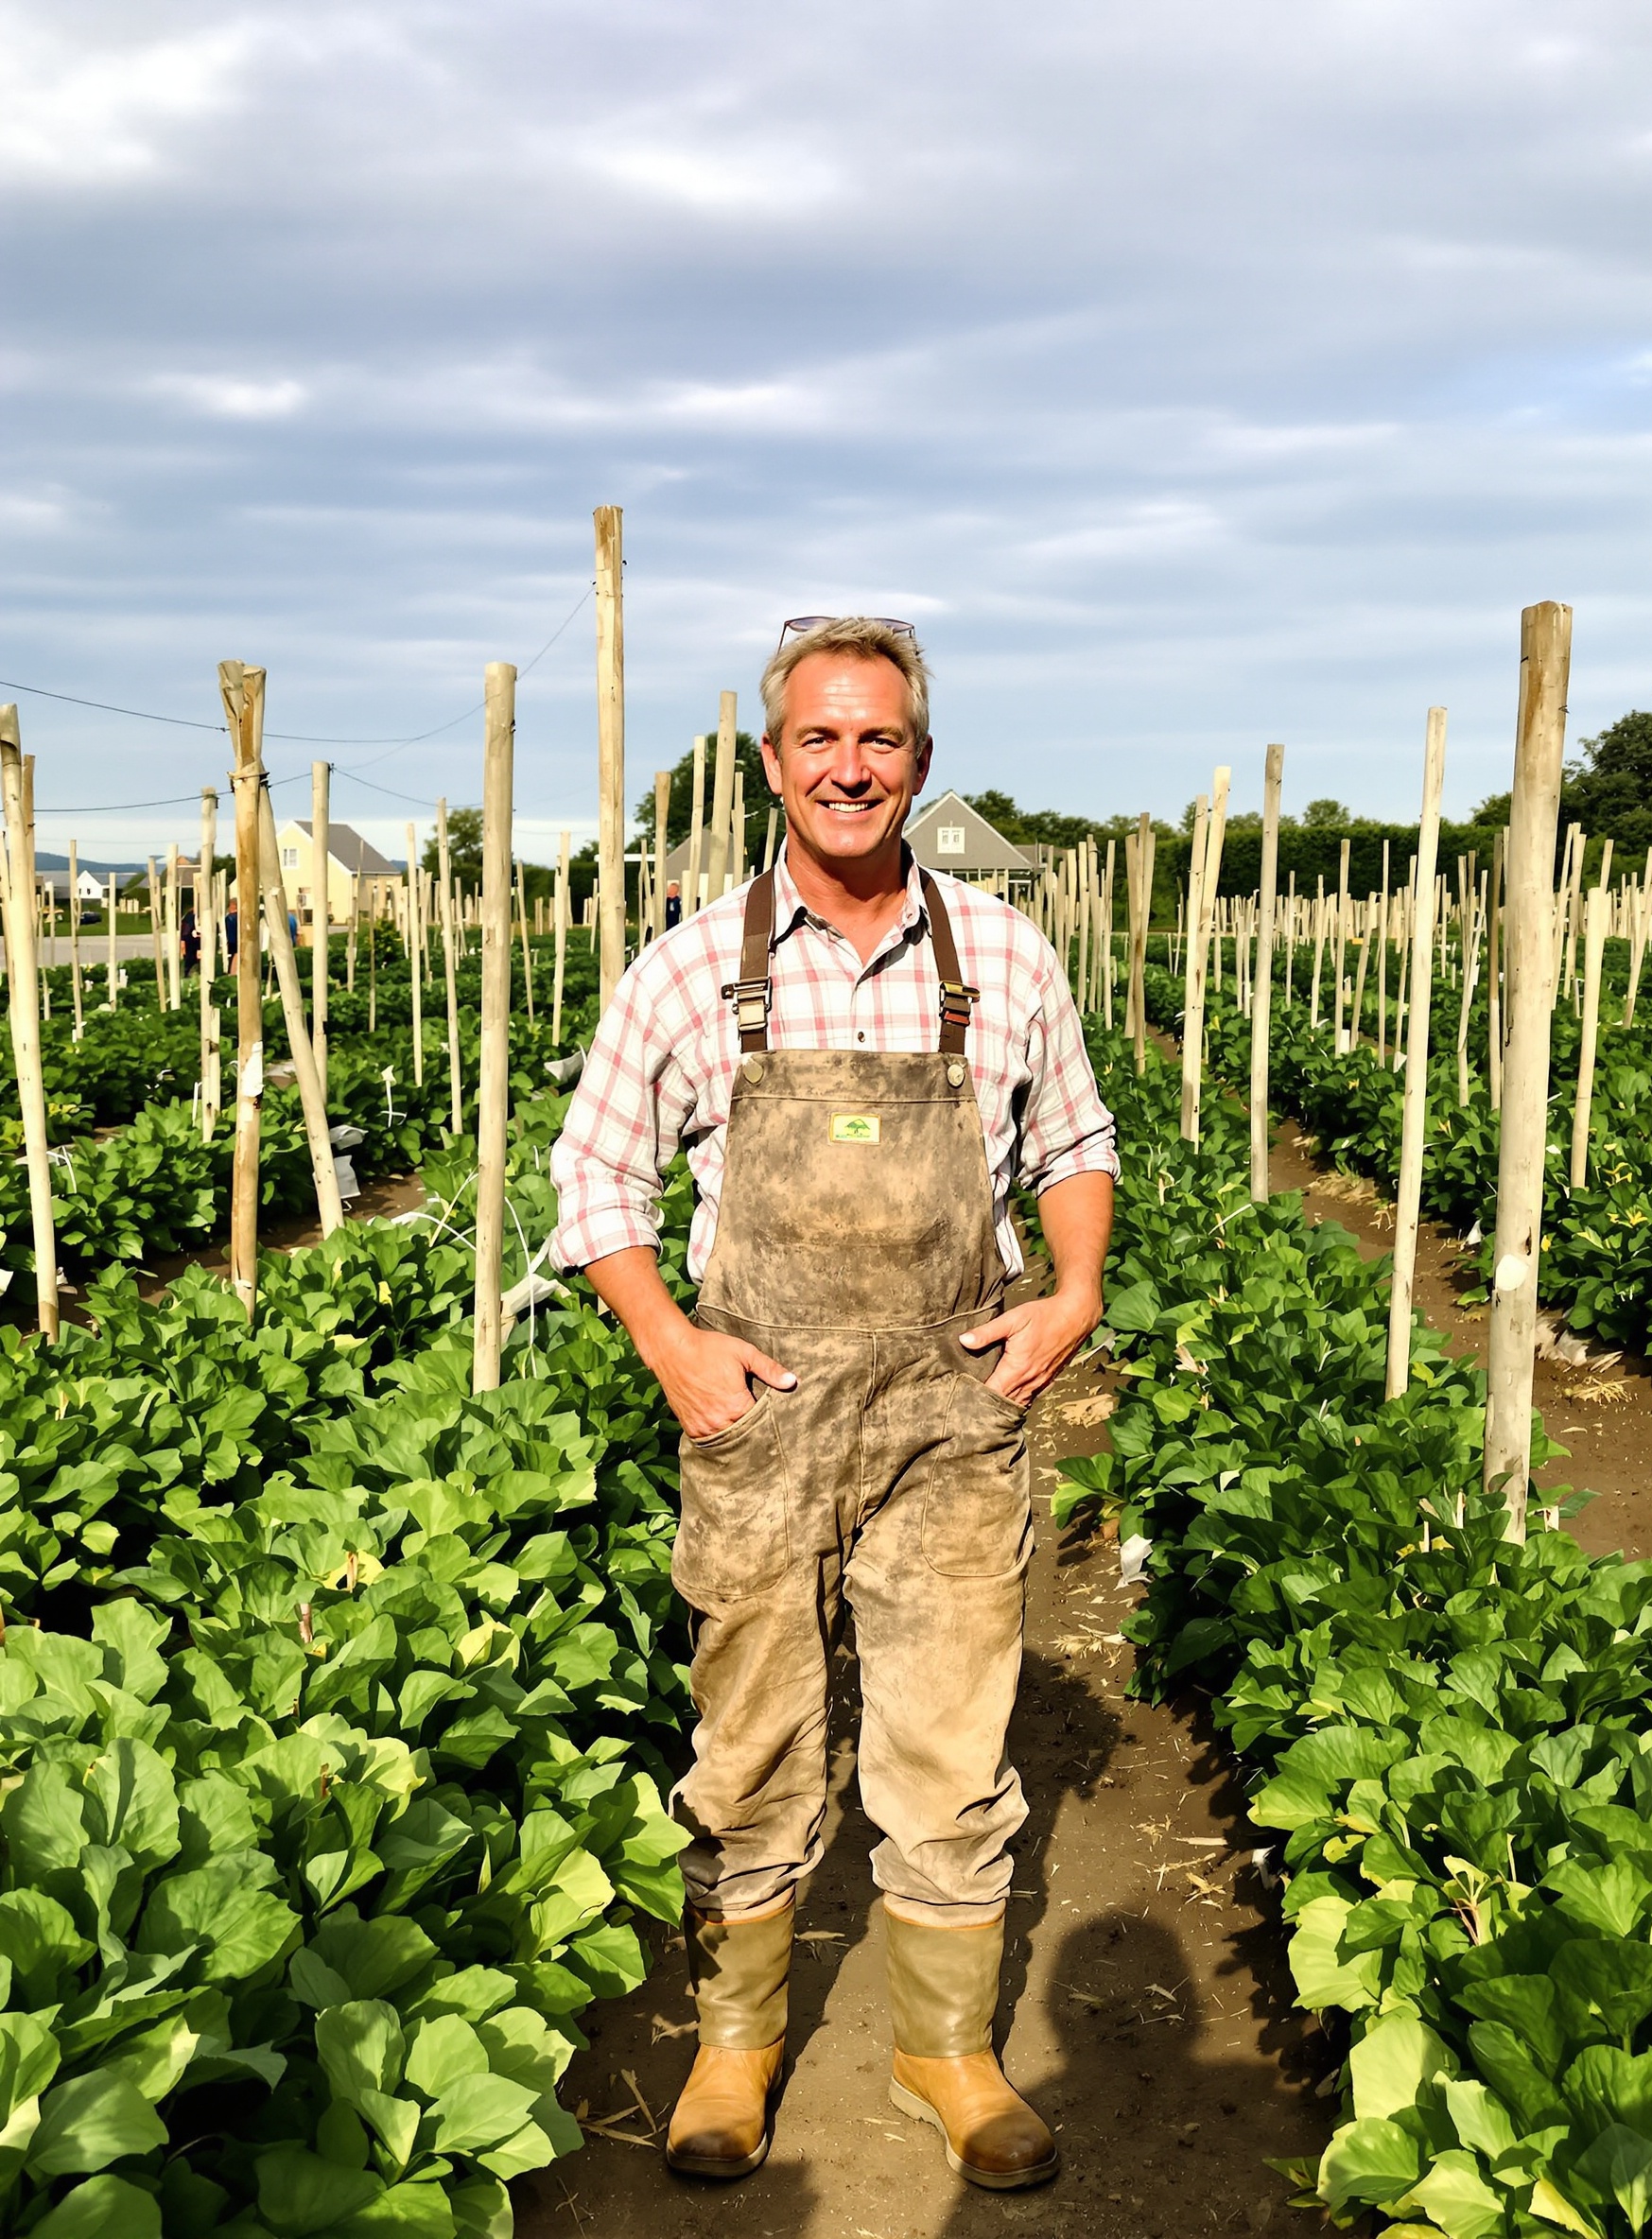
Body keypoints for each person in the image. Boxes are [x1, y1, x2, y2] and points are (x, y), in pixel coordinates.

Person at [549, 616, 1116, 2191]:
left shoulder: (999, 953)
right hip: (763, 1412)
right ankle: (738, 2044)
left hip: (948, 1407)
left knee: (949, 1735)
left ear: (920, 765)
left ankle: (949, 2049)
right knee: (750, 1733)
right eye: (821, 739)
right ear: (773, 763)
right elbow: (594, 1169)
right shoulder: (687, 968)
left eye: (880, 742)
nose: (850, 767)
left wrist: (1067, 1297)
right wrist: (667, 1337)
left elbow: (1074, 1140)